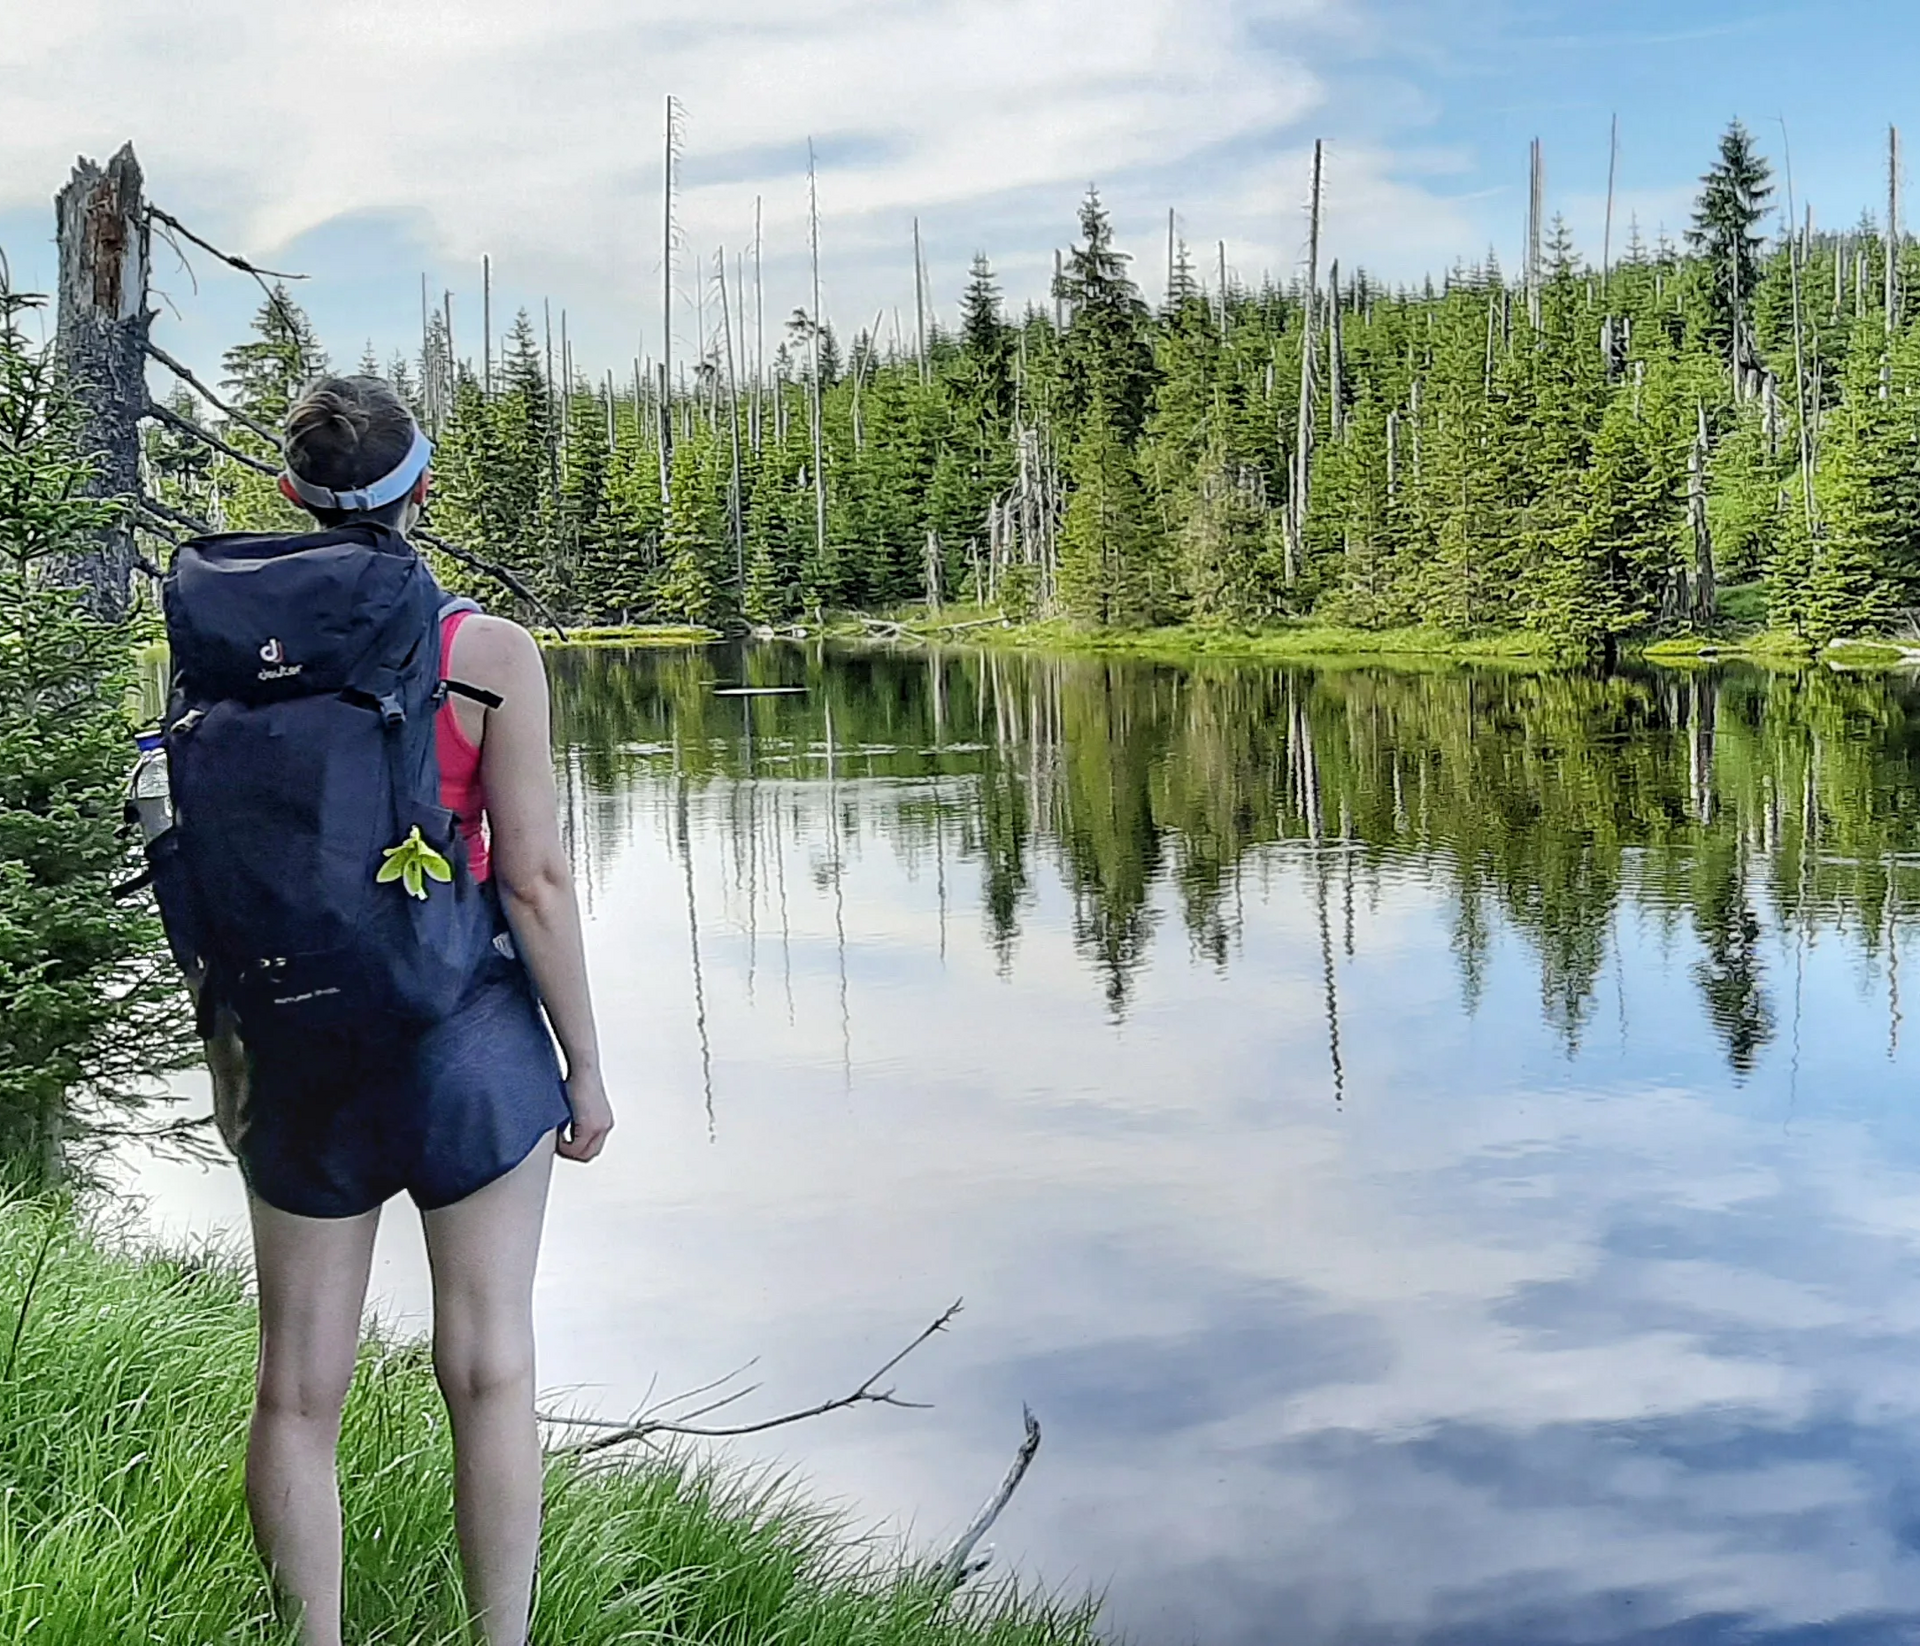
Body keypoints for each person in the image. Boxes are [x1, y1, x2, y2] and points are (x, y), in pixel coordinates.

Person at [209, 375, 614, 1646]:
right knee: (489, 1362)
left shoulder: (228, 643)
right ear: (422, 492)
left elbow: (228, 855)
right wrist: (585, 1070)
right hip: (464, 1035)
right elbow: (535, 878)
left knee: (295, 1391)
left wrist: (229, 1055)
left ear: (291, 496)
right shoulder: (483, 653)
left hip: (294, 1036)